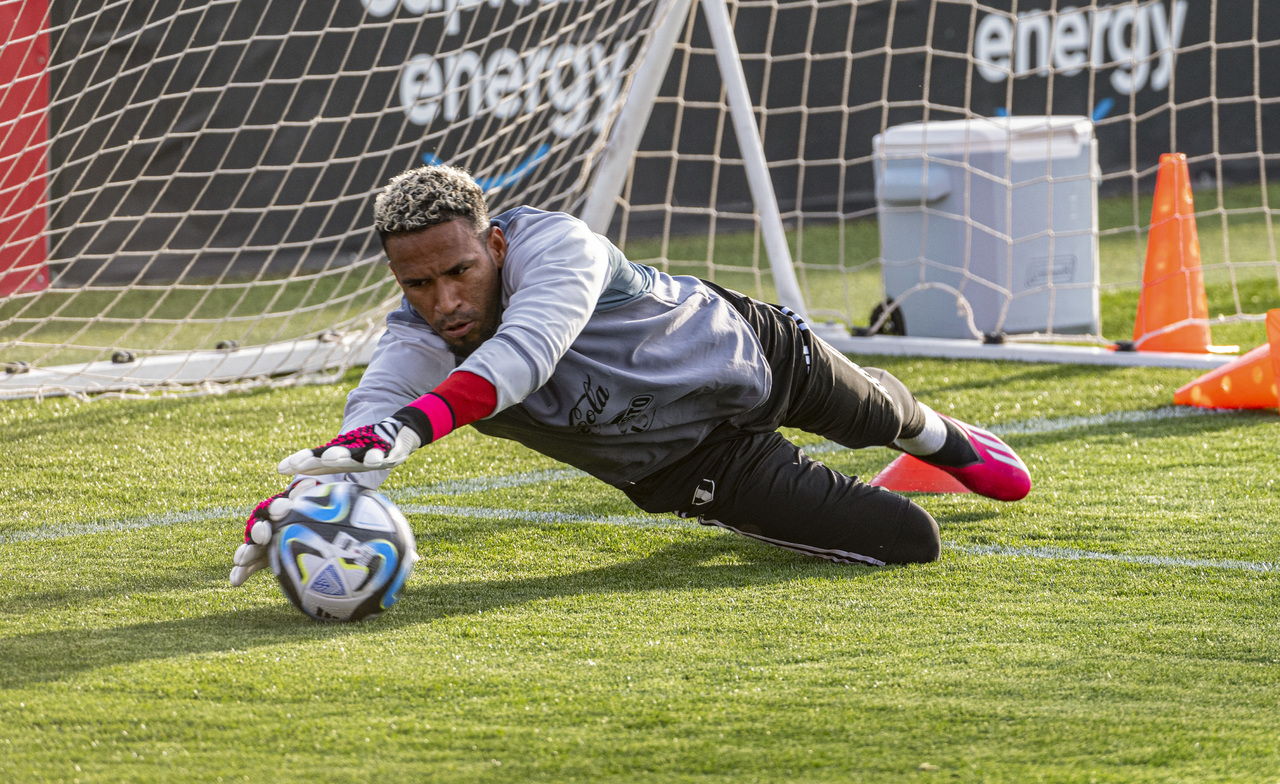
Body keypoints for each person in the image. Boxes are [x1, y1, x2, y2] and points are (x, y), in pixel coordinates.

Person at [230, 164, 1030, 586]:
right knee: (911, 541)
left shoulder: (559, 248)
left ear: (495, 244)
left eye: (459, 271)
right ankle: (817, 492)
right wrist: (307, 500)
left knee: (890, 418)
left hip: (755, 355)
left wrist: (413, 425)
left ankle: (938, 439)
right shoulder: (418, 341)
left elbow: (525, 355)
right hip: (695, 467)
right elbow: (367, 424)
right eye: (418, 284)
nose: (444, 302)